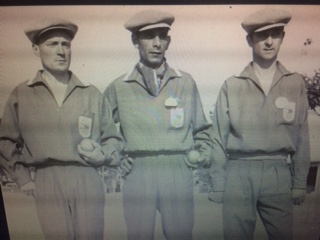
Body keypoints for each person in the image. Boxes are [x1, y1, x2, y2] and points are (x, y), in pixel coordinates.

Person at [0, 19, 123, 240]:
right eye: (53, 44)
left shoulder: (91, 94)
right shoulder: (22, 94)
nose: (61, 51)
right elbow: (7, 141)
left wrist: (102, 155)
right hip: (47, 179)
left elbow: (113, 138)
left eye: (65, 44)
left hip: (87, 177)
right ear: (36, 49)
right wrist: (23, 178)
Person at [104, 9, 212, 240]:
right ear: (135, 40)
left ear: (169, 40)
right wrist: (117, 156)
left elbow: (202, 129)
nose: (156, 43)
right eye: (148, 36)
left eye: (162, 35)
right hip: (138, 171)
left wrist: (200, 155)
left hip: (177, 169)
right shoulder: (119, 87)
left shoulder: (185, 81)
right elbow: (102, 130)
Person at [208, 8, 310, 240]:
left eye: (275, 34)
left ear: (282, 37)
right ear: (249, 40)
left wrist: (299, 181)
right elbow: (217, 137)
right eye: (261, 36)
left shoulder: (294, 82)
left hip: (278, 172)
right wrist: (218, 183)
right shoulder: (232, 85)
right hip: (239, 172)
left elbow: (302, 134)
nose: (269, 42)